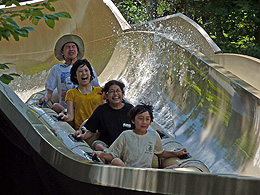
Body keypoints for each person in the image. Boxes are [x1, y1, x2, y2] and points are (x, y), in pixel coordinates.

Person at [93, 104, 189, 169]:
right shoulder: (126, 135)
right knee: (116, 161)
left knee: (175, 167)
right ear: (133, 121)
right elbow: (113, 155)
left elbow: (160, 153)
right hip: (129, 171)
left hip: (147, 173)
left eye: (147, 119)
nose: (144, 122)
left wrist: (177, 153)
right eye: (140, 119)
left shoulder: (154, 135)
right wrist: (100, 154)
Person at [39, 34, 99, 113]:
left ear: (77, 51)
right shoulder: (56, 69)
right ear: (62, 52)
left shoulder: (86, 68)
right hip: (65, 109)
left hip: (84, 107)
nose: (71, 49)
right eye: (67, 47)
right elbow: (49, 92)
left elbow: (96, 88)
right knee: (55, 106)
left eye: (73, 47)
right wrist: (45, 98)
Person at [75, 80, 134, 151]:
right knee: (97, 145)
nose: (115, 94)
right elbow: (91, 131)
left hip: (126, 146)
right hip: (106, 146)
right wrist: (81, 136)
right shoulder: (101, 110)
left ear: (122, 93)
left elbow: (137, 130)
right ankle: (110, 155)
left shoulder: (130, 109)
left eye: (118, 91)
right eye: (112, 91)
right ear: (106, 95)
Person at [59, 59, 103, 130]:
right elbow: (70, 116)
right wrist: (64, 117)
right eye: (80, 71)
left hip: (99, 129)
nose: (84, 73)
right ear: (75, 75)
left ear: (90, 74)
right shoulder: (71, 93)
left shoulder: (100, 91)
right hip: (83, 130)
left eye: (86, 70)